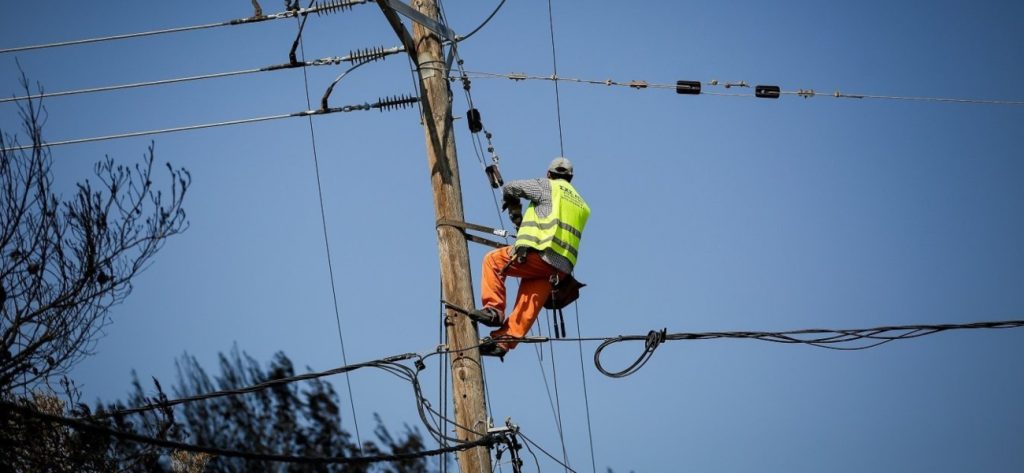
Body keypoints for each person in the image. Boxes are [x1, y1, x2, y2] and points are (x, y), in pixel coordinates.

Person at [469, 157, 590, 358]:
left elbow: (511, 188)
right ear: (571, 178)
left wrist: (515, 210)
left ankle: (493, 310)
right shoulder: (582, 205)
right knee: (530, 300)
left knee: (493, 261)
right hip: (560, 268)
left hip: (541, 254)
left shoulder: (547, 186)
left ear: (549, 174)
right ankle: (503, 342)